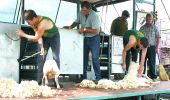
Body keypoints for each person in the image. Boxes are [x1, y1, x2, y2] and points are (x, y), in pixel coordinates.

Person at [16, 9, 60, 85]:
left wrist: (23, 34)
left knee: (55, 57)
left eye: (28, 22)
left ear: (33, 18)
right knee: (41, 57)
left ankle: (56, 81)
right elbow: (39, 37)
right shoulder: (33, 23)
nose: (28, 24)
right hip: (44, 38)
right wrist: (42, 47)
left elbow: (36, 37)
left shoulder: (43, 23)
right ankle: (40, 82)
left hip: (54, 37)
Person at [63, 1, 101, 82]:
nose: (83, 12)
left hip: (94, 39)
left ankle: (98, 78)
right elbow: (77, 21)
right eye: (82, 10)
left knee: (95, 58)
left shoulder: (94, 16)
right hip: (85, 38)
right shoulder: (80, 13)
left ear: (89, 9)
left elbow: (96, 31)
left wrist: (84, 29)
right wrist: (70, 27)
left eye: (85, 10)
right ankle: (84, 77)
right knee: (83, 58)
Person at [139, 13, 160, 80]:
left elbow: (158, 38)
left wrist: (157, 47)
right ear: (145, 19)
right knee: (142, 62)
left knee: (152, 62)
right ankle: (142, 76)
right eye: (147, 19)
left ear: (152, 19)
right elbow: (139, 38)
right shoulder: (142, 28)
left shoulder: (155, 27)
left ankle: (153, 77)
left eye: (150, 19)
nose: (148, 20)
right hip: (143, 47)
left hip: (152, 47)